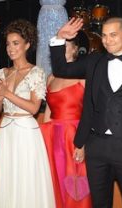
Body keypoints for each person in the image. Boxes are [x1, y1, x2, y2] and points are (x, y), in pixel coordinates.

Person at [52, 17, 122, 208]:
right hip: (96, 146)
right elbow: (61, 69)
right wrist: (59, 38)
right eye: (104, 36)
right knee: (99, 204)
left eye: (113, 35)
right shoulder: (94, 61)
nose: (107, 40)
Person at [0, 19, 55, 208]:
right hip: (6, 131)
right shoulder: (1, 74)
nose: (11, 48)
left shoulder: (36, 72)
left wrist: (7, 93)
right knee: (8, 180)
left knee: (27, 180)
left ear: (27, 45)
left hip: (26, 132)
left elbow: (34, 108)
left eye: (15, 43)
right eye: (8, 44)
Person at [41, 36, 91, 208]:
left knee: (75, 184)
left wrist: (83, 143)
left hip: (74, 136)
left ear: (75, 49)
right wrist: (43, 139)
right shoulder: (51, 77)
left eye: (66, 46)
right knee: (55, 179)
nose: (61, 50)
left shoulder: (83, 76)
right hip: (52, 136)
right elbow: (48, 110)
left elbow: (89, 112)